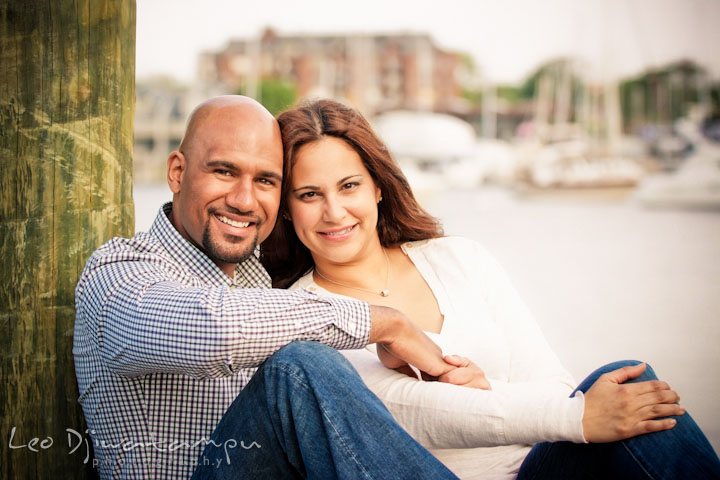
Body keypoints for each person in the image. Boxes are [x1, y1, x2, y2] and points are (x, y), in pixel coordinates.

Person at [261, 98, 720, 479]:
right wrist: (577, 416)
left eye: (349, 186)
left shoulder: (459, 258)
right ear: (286, 210)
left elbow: (553, 384)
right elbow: (409, 410)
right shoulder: (302, 313)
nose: (335, 212)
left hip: (540, 467)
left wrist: (485, 387)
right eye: (309, 194)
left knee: (630, 382)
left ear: (378, 187)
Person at [73, 95, 463, 479]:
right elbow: (214, 329)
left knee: (528, 465)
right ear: (177, 172)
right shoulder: (117, 272)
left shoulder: (265, 277)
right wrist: (388, 323)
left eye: (265, 181)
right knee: (301, 367)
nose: (245, 201)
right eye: (224, 172)